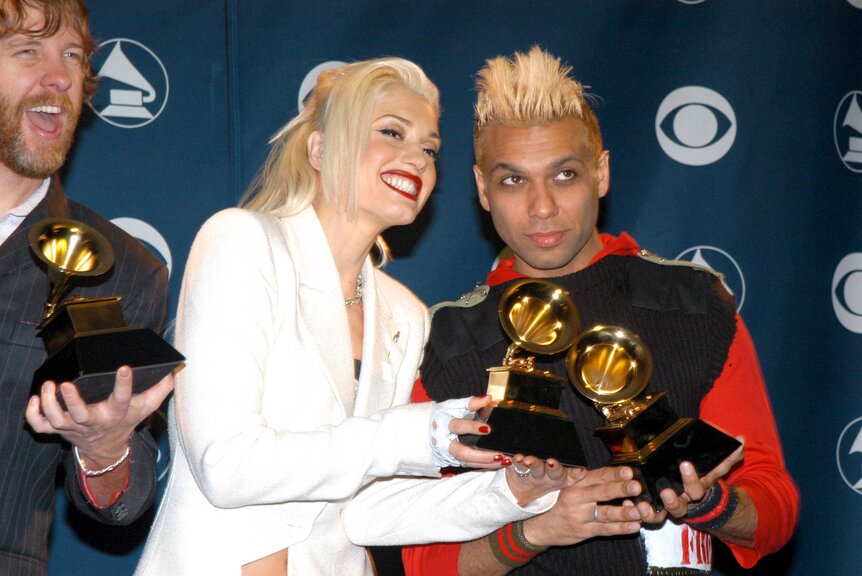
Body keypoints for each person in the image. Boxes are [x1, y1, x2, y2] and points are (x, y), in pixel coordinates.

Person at [135, 56, 570, 576]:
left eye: (429, 149)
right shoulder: (241, 242)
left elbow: (367, 513)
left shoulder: (405, 314)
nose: (417, 160)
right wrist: (412, 436)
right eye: (392, 132)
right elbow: (225, 466)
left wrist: (509, 491)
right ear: (320, 149)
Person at [404, 46, 799, 575]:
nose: (542, 206)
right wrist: (531, 534)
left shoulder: (692, 303)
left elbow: (772, 513)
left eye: (564, 175)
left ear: (601, 172)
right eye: (513, 180)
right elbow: (416, 558)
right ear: (482, 188)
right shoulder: (442, 340)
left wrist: (710, 504)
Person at [0, 0, 175, 574]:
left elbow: (123, 498)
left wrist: (103, 449)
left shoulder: (124, 269)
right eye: (28, 50)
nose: (60, 77)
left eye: (71, 55)